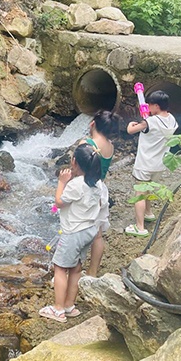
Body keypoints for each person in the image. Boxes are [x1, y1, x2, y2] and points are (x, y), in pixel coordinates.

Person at [40, 144, 107, 323]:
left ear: (74, 162)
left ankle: (58, 309)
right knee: (76, 268)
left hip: (73, 233)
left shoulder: (76, 184)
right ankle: (69, 305)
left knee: (60, 268)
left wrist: (62, 182)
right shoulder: (98, 183)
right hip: (89, 231)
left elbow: (59, 202)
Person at [126, 90, 177, 237]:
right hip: (159, 165)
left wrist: (131, 124)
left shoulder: (150, 121)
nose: (147, 107)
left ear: (156, 106)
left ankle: (140, 227)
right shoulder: (172, 119)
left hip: (145, 164)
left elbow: (131, 130)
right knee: (149, 188)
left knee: (140, 194)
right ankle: (148, 213)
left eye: (149, 105)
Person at [80, 110, 120, 277]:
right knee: (97, 236)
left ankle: (72, 270)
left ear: (93, 124)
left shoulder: (87, 143)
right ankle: (93, 271)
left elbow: (77, 170)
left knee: (78, 232)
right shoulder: (110, 146)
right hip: (101, 191)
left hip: (85, 190)